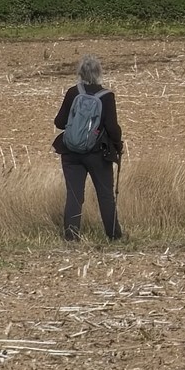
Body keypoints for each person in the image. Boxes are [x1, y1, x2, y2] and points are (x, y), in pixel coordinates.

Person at [51, 55, 123, 243]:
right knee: (105, 195)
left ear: (80, 73)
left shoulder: (73, 92)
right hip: (98, 154)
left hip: (71, 153)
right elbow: (112, 127)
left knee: (74, 196)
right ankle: (114, 236)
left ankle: (71, 236)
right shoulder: (107, 96)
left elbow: (59, 122)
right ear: (99, 73)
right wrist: (118, 145)